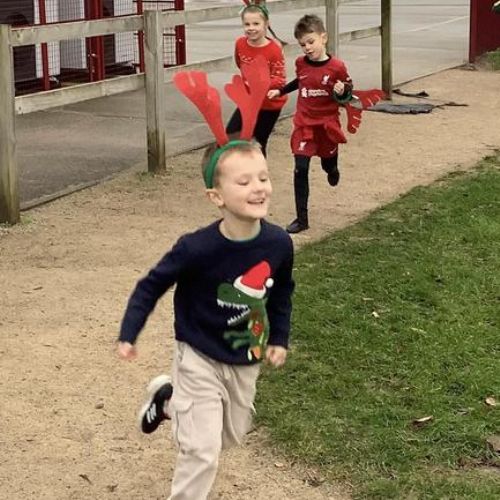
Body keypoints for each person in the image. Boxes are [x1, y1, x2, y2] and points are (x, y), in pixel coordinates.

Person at [117, 138, 295, 498]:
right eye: (243, 182)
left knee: (231, 435)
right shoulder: (196, 248)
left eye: (263, 177)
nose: (258, 188)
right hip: (197, 352)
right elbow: (151, 286)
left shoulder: (278, 244)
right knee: (202, 451)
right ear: (216, 196)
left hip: (245, 355)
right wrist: (129, 332)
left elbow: (281, 293)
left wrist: (278, 338)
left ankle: (167, 401)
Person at [268, 14, 354, 234]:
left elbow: (348, 92)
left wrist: (342, 91)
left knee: (327, 163)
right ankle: (302, 219)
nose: (307, 47)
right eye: (302, 44)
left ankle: (332, 168)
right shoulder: (300, 63)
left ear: (323, 38)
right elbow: (301, 80)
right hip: (304, 124)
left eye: (311, 42)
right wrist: (280, 90)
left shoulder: (337, 67)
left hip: (326, 125)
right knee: (300, 168)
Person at [225, 1, 288, 157]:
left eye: (256, 23)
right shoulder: (240, 44)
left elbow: (280, 79)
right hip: (248, 100)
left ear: (266, 24)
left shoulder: (274, 50)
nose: (251, 28)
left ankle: (260, 177)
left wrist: (259, 82)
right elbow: (240, 64)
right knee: (231, 133)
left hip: (269, 103)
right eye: (247, 24)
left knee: (258, 143)